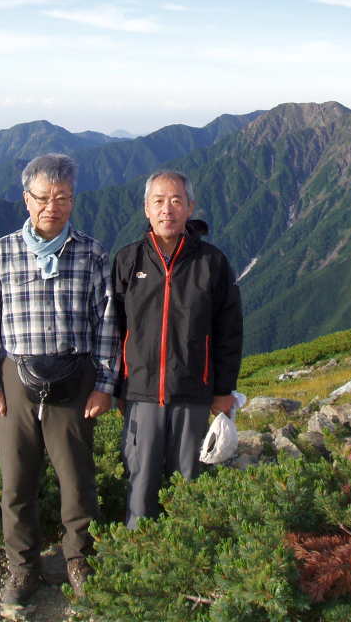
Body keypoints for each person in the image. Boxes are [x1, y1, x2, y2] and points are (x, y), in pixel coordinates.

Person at [0, 153, 119, 604]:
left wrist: (104, 383)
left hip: (76, 373)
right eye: (43, 197)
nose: (52, 206)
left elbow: (108, 322)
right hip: (17, 374)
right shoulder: (2, 252)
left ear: (74, 200)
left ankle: (78, 560)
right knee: (16, 480)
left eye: (63, 198)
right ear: (26, 199)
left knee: (77, 478)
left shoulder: (91, 253)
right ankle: (22, 568)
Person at [112, 169, 243, 529]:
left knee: (189, 482)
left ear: (190, 207)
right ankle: (140, 562)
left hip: (193, 392)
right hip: (139, 394)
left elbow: (228, 332)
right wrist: (115, 387)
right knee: (140, 484)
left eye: (175, 201)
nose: (166, 209)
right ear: (146, 209)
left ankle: (189, 560)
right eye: (158, 201)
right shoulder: (128, 261)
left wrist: (222, 391)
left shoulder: (211, 263)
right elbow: (114, 329)